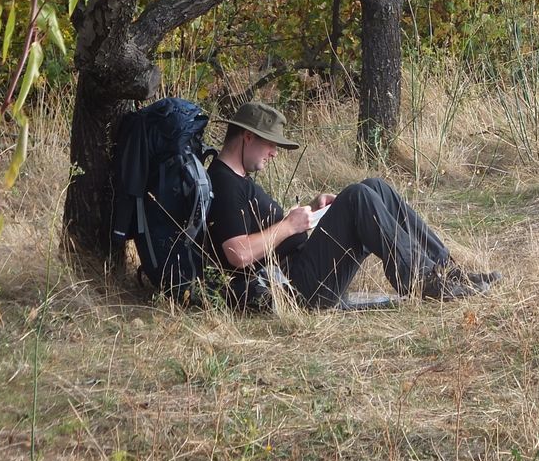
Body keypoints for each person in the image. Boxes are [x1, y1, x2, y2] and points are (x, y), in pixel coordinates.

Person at [206, 101, 499, 310]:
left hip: (300, 271)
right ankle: (423, 282)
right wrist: (288, 225)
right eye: (271, 144)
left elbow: (262, 232)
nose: (274, 153)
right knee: (357, 197)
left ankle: (446, 273)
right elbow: (238, 254)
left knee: (375, 187)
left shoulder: (239, 179)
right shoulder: (223, 183)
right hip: (293, 290)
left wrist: (313, 211)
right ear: (247, 137)